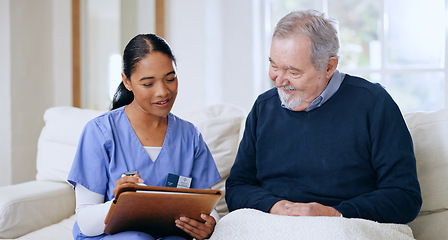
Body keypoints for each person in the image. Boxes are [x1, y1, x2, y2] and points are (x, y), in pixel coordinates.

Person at [225, 9, 422, 224]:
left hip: (345, 225)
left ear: (329, 67)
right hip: (271, 224)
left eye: (292, 71)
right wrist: (274, 207)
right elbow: (237, 187)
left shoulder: (374, 103)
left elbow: (404, 196)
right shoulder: (264, 107)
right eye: (273, 65)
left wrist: (334, 213)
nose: (278, 80)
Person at [67, 34, 221, 240]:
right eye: (148, 84)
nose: (163, 92)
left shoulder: (190, 136)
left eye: (170, 78)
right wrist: (119, 202)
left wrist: (211, 224)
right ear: (127, 82)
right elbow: (86, 221)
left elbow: (207, 206)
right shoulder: (100, 132)